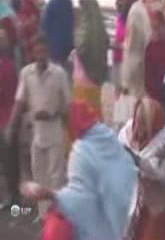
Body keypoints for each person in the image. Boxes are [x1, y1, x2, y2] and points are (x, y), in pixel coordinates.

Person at [20, 99, 139, 240]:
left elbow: (79, 197)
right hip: (124, 218)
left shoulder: (82, 150)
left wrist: (51, 195)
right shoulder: (110, 139)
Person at [7, 35, 70, 220]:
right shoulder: (27, 73)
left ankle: (57, 216)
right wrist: (12, 125)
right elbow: (19, 100)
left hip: (55, 132)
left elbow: (67, 105)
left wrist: (51, 113)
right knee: (39, 177)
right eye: (38, 51)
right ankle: (44, 218)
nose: (41, 54)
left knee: (55, 178)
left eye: (44, 51)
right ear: (33, 53)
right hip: (37, 133)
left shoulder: (59, 73)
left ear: (47, 52)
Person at [118, 96, 165, 240]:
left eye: (144, 125)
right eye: (137, 123)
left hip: (156, 203)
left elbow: (159, 172)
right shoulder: (127, 131)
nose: (139, 129)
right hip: (132, 198)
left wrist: (137, 160)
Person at [121, 0, 165, 97]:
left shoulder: (137, 10)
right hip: (161, 82)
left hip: (145, 82)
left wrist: (126, 83)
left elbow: (132, 52)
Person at [70, 0, 109, 113]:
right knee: (95, 109)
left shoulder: (85, 24)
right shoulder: (100, 25)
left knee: (83, 111)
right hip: (97, 74)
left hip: (84, 75)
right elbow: (105, 42)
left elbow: (81, 46)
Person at [0, 28, 19, 209]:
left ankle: (12, 197)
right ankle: (13, 195)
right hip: (10, 117)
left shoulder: (4, 67)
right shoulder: (9, 65)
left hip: (5, 119)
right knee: (10, 160)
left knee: (8, 160)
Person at [112, 0, 136, 90]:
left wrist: (121, 46)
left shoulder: (133, 20)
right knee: (117, 88)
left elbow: (134, 42)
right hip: (117, 58)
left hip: (128, 61)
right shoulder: (119, 18)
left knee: (126, 90)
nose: (117, 5)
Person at [41, 0, 73, 64]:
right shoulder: (68, 2)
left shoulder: (51, 5)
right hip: (67, 43)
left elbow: (44, 26)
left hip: (54, 45)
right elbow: (72, 21)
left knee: (55, 69)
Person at [11, 0, 40, 65]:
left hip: (32, 40)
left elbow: (36, 17)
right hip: (23, 42)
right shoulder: (15, 4)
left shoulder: (29, 3)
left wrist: (24, 24)